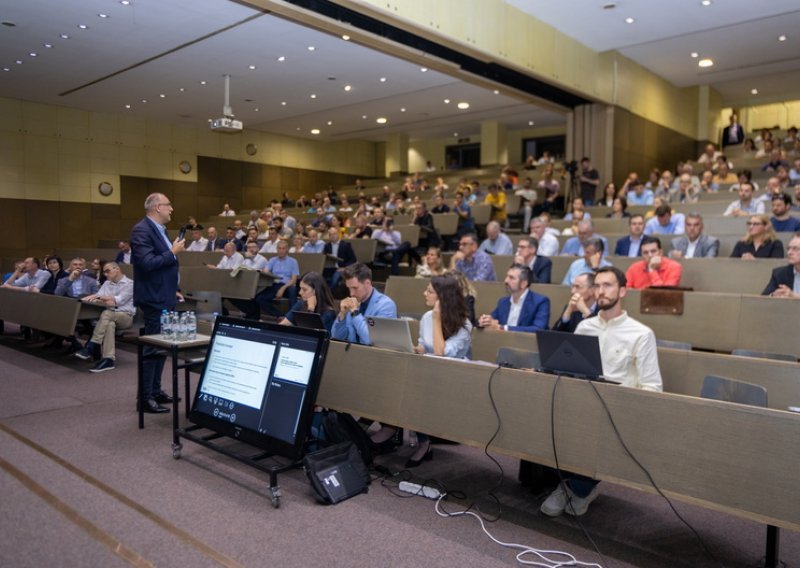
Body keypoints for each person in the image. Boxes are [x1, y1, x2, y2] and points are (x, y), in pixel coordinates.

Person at [541, 266, 662, 518]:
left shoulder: (641, 334)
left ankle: (576, 489)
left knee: (591, 430)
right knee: (551, 415)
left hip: (617, 411)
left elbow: (652, 387)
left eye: (607, 285)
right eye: (597, 286)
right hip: (582, 402)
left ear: (623, 291)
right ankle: (577, 487)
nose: (601, 291)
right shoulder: (585, 327)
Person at [131, 192, 185, 414]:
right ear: (156, 208)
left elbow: (164, 267)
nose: (171, 209)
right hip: (154, 299)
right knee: (153, 348)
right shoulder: (141, 230)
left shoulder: (160, 230)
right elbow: (146, 264)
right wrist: (173, 252)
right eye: (168, 205)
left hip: (165, 295)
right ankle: (144, 398)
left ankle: (155, 390)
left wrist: (175, 290)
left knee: (162, 347)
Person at [73, 262, 135, 373]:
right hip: (110, 316)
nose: (105, 274)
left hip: (125, 316)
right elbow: (100, 299)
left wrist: (102, 297)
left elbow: (117, 301)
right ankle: (108, 359)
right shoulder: (107, 283)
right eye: (104, 272)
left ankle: (91, 346)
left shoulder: (130, 284)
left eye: (108, 271)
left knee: (106, 314)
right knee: (109, 324)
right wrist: (104, 298)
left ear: (117, 269)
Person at [331, 263, 397, 344]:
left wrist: (355, 313)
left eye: (355, 288)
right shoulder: (352, 303)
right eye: (349, 288)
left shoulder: (386, 305)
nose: (351, 294)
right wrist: (342, 315)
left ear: (367, 283)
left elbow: (372, 340)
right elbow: (335, 337)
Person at [478, 265, 550, 333]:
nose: (506, 281)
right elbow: (493, 319)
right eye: (507, 276)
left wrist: (503, 328)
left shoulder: (540, 302)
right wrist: (485, 321)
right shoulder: (503, 302)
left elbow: (538, 329)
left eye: (511, 278)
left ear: (523, 284)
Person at [258, 240, 299, 317]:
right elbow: (266, 272)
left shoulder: (293, 261)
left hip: (287, 285)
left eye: (283, 248)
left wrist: (282, 288)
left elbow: (294, 280)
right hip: (275, 284)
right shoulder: (272, 260)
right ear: (276, 249)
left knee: (293, 290)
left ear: (287, 250)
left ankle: (293, 317)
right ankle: (281, 316)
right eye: (279, 248)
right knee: (259, 298)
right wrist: (264, 271)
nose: (281, 250)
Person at [762, 234, 800, 298]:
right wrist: (774, 295)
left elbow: (793, 296)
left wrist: (794, 296)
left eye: (795, 249)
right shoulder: (780, 273)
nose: (789, 253)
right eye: (788, 248)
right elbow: (763, 299)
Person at [323, 226, 357, 290]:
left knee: (335, 279)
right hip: (329, 268)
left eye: (334, 234)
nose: (332, 236)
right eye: (330, 234)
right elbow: (324, 258)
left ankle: (328, 295)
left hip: (341, 268)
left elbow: (353, 260)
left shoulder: (346, 245)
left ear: (338, 234)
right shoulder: (327, 246)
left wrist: (345, 268)